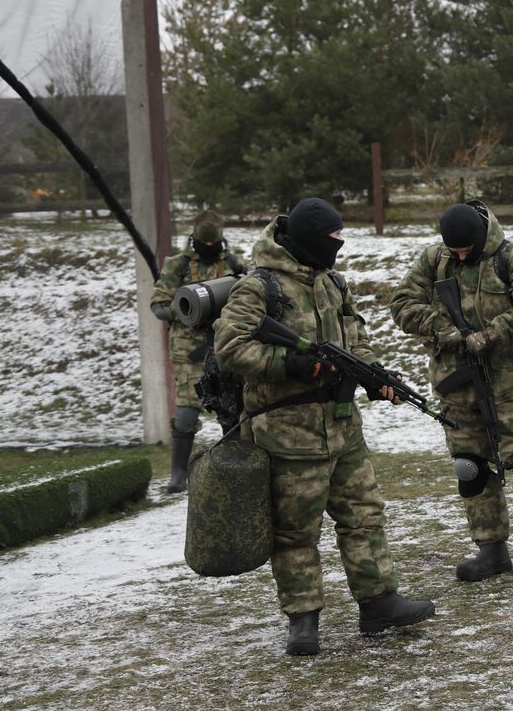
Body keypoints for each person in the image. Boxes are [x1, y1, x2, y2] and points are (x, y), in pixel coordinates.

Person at [213, 197, 435, 656]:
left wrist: (377, 377)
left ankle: (379, 602)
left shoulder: (334, 283)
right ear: (312, 239)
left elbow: (356, 338)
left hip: (341, 425)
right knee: (295, 531)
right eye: (332, 240)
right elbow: (230, 348)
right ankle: (303, 619)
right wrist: (289, 363)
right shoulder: (259, 288)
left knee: (365, 515)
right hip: (285, 431)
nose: (338, 247)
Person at [389, 202, 513, 583]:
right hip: (457, 387)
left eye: (466, 250)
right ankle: (491, 550)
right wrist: (440, 326)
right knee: (471, 469)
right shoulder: (434, 260)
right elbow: (402, 305)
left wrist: (489, 334)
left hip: (512, 386)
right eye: (454, 251)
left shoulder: (510, 258)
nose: (460, 256)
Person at [150, 210, 245, 492]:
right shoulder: (177, 266)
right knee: (187, 414)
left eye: (212, 245)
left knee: (232, 410)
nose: (208, 249)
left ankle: (235, 469)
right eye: (203, 246)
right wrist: (185, 309)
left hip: (224, 345)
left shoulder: (233, 263)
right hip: (188, 350)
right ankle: (178, 475)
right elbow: (158, 305)